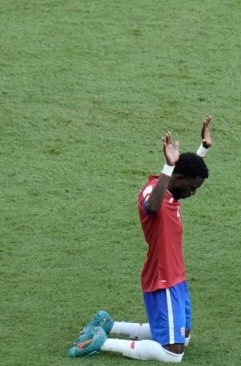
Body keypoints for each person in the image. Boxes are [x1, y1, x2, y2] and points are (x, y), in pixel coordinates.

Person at [67, 117, 213, 362]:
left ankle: (109, 325)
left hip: (176, 276)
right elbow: (153, 207)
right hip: (162, 278)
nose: (193, 193)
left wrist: (203, 149)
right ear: (176, 178)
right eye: (192, 188)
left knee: (183, 337)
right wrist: (168, 166)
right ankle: (98, 341)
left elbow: (185, 172)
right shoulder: (153, 193)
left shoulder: (172, 187)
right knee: (172, 353)